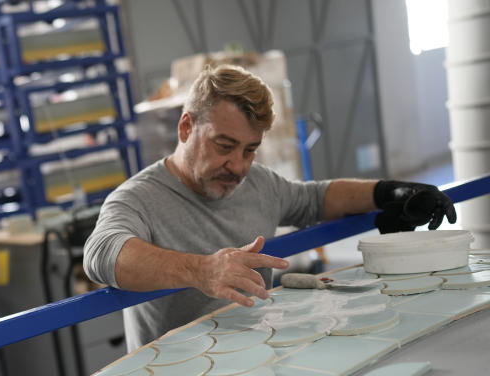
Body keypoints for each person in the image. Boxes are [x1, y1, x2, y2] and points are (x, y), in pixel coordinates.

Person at [83, 64, 457, 352]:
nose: (238, 166)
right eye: (224, 145)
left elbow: (315, 198)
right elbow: (101, 254)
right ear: (185, 128)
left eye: (250, 150)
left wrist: (391, 193)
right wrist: (202, 270)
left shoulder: (257, 183)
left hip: (254, 355)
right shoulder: (138, 199)